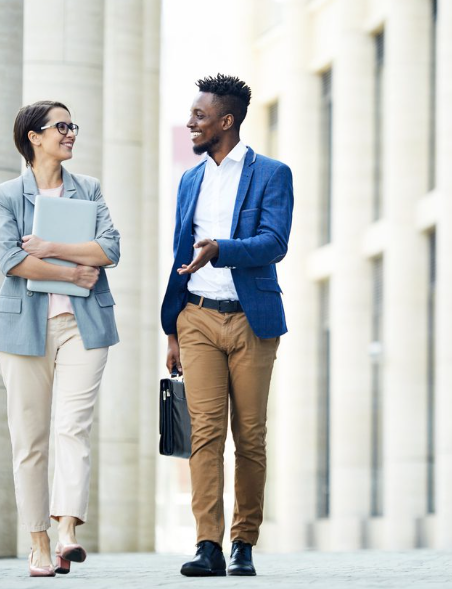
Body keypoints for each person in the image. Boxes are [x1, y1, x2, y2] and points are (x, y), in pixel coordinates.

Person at [161, 74, 294, 577]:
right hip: (196, 317)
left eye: (199, 115)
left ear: (226, 121)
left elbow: (275, 242)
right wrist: (171, 327)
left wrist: (222, 251)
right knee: (205, 436)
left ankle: (243, 542)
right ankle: (207, 545)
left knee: (251, 436)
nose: (191, 122)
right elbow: (179, 252)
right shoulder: (190, 179)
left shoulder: (271, 174)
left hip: (251, 321)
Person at [0, 100, 120, 577]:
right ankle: (39, 544)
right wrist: (76, 271)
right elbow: (10, 261)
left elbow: (110, 249)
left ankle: (67, 530)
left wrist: (50, 248)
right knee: (31, 440)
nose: (70, 133)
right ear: (34, 137)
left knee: (73, 427)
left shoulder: (89, 190)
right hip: (24, 328)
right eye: (61, 126)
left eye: (72, 125)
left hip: (84, 327)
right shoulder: (6, 195)